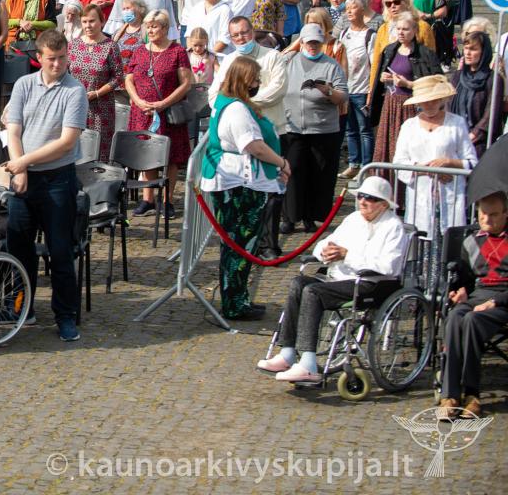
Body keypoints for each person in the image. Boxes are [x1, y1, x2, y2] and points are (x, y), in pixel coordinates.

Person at [257, 177, 407, 383]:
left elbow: (389, 266)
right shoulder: (354, 218)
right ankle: (287, 351)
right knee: (298, 284)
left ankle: (308, 361)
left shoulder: (393, 226)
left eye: (369, 198)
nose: (362, 201)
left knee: (313, 292)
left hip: (372, 283)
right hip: (340, 277)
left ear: (383, 204)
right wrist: (324, 252)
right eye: (361, 196)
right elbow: (327, 242)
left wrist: (347, 255)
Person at [3, 29, 88, 342]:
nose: (58, 64)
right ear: (39, 58)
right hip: (24, 179)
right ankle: (21, 307)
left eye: (63, 57)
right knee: (18, 247)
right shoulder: (24, 85)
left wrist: (24, 163)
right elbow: (13, 130)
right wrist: (20, 168)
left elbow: (66, 143)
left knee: (61, 251)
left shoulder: (75, 90)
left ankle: (65, 316)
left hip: (57, 180)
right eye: (52, 58)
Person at [201, 56, 290, 321]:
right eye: (254, 79)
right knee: (239, 243)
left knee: (240, 243)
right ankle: (234, 302)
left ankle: (239, 297)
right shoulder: (236, 109)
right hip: (237, 183)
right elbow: (253, 145)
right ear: (242, 80)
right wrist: (282, 162)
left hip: (239, 180)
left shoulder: (234, 103)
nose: (257, 83)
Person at [439, 191, 508, 419]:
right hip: (478, 296)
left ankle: (472, 393)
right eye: (482, 214)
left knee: (471, 320)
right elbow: (466, 279)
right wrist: (460, 291)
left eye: (494, 214)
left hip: (502, 299)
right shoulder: (471, 241)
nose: (487, 219)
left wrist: (495, 302)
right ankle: (449, 394)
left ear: (506, 214)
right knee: (455, 316)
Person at [280, 24, 348, 237]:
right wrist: (294, 45)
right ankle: (290, 217)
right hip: (292, 127)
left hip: (323, 129)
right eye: (308, 42)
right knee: (292, 172)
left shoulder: (332, 66)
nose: (312, 46)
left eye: (316, 43)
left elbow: (343, 96)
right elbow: (272, 63)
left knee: (318, 173)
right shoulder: (289, 61)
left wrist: (327, 90)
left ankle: (311, 216)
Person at [123, 10, 193, 218]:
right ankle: (148, 199)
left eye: (155, 26)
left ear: (164, 28)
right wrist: (137, 99)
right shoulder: (140, 51)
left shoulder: (177, 51)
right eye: (148, 26)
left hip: (168, 112)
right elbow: (129, 79)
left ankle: (168, 200)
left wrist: (163, 103)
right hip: (142, 111)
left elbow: (187, 83)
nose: (150, 30)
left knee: (170, 156)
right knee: (146, 153)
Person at [392, 75, 478, 241]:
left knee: (448, 243)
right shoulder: (409, 126)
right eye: (425, 101)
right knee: (420, 241)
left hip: (450, 194)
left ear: (442, 99)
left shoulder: (456, 123)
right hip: (420, 195)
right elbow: (399, 163)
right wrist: (426, 170)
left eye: (434, 100)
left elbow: (472, 162)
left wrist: (450, 163)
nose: (429, 105)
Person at [369, 14, 442, 167]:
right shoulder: (389, 50)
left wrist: (408, 84)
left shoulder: (425, 54)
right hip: (390, 105)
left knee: (409, 149)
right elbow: (380, 81)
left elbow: (438, 84)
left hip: (412, 106)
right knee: (387, 149)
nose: (401, 32)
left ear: (415, 30)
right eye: (399, 28)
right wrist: (383, 78)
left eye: (406, 29)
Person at [68, 4, 124, 162]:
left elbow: (118, 76)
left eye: (92, 21)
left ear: (102, 21)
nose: (88, 25)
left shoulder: (111, 46)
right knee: (75, 146)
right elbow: (65, 72)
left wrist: (98, 93)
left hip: (101, 108)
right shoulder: (73, 45)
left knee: (98, 151)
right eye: (84, 21)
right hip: (76, 106)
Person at [449, 31, 506, 156]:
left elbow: (491, 114)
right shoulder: (457, 76)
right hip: (454, 141)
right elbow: (448, 106)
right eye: (466, 48)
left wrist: (472, 136)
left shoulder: (493, 79)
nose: (468, 53)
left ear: (483, 52)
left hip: (479, 145)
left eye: (473, 49)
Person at [338, 0, 376, 178]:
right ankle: (354, 163)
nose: (350, 11)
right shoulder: (344, 33)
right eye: (347, 8)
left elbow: (374, 64)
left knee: (364, 129)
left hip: (362, 88)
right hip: (346, 88)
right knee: (350, 129)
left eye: (354, 8)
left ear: (363, 10)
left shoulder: (370, 35)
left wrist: (371, 91)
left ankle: (367, 166)